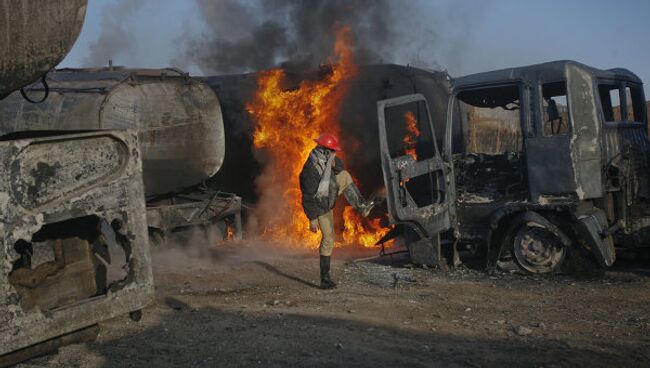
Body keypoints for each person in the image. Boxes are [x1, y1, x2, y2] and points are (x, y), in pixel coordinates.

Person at [299, 133, 376, 289]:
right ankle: (325, 279)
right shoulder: (310, 170)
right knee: (328, 238)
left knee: (345, 175)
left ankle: (362, 207)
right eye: (332, 151)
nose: (334, 153)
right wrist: (312, 219)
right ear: (324, 150)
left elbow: (340, 168)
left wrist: (334, 163)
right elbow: (307, 197)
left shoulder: (327, 161)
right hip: (319, 205)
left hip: (328, 195)